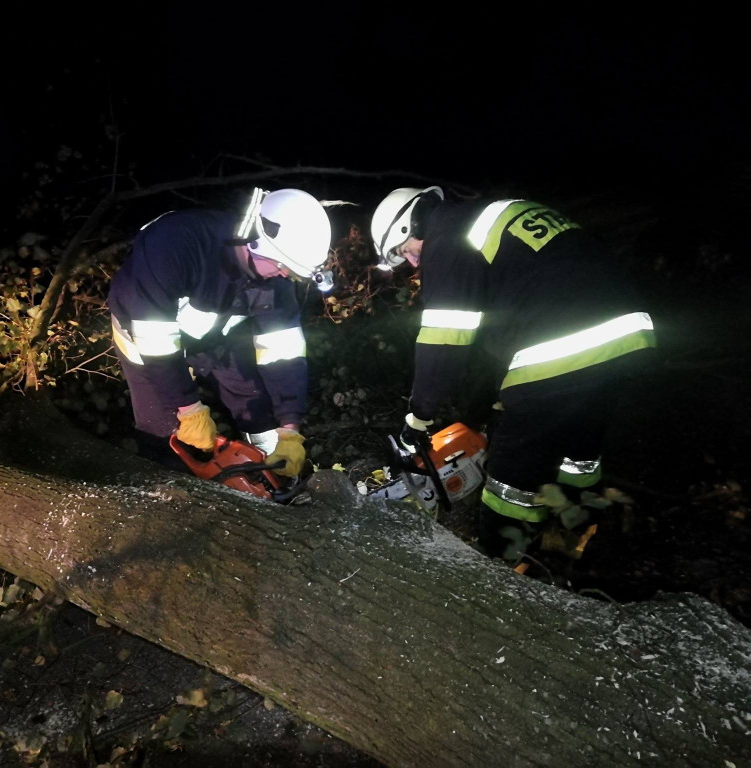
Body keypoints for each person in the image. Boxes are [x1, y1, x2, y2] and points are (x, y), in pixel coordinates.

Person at [370, 187, 657, 557]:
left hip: (563, 341)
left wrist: (419, 418)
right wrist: (487, 405)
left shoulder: (447, 239)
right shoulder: (494, 216)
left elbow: (443, 340)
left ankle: (502, 570)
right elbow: (508, 324)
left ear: (408, 225)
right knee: (579, 450)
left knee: (511, 472)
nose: (410, 264)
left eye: (404, 252)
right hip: (626, 334)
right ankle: (573, 540)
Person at [108, 188, 334, 478]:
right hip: (146, 338)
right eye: (281, 266)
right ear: (255, 243)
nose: (283, 276)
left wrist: (290, 428)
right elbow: (155, 339)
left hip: (216, 335)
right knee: (164, 426)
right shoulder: (175, 242)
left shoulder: (275, 275)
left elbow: (284, 350)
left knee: (254, 401)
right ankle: (168, 494)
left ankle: (274, 475)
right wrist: (188, 407)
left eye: (290, 271)